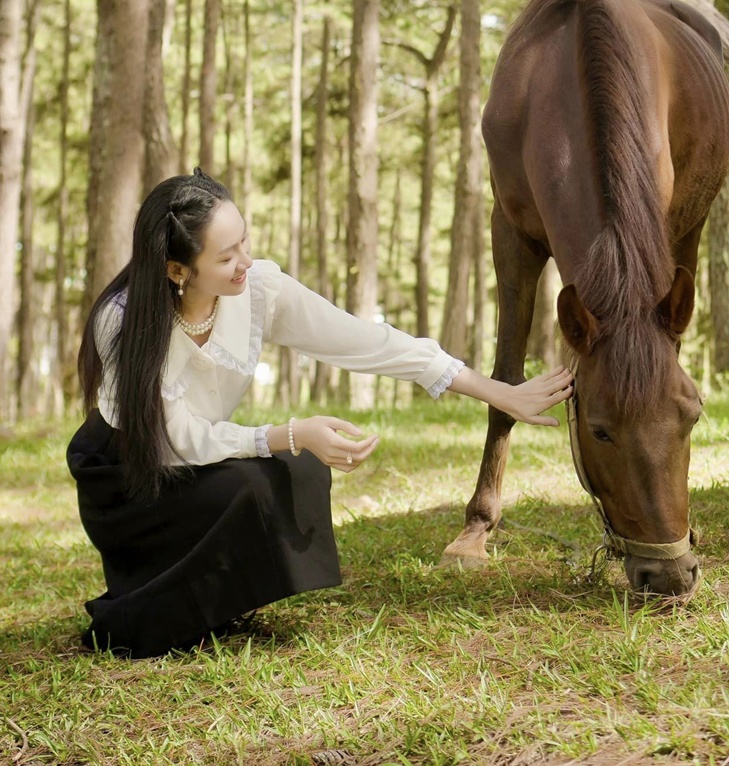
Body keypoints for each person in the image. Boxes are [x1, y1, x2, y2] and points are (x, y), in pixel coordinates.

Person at [67, 169, 573, 658]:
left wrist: (497, 393)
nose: (245, 260)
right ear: (178, 269)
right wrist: (290, 432)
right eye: (226, 257)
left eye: (244, 240)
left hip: (196, 457)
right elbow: (177, 441)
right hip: (129, 476)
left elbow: (365, 341)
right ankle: (150, 608)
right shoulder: (124, 321)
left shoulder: (257, 290)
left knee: (299, 470)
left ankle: (215, 605)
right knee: (262, 480)